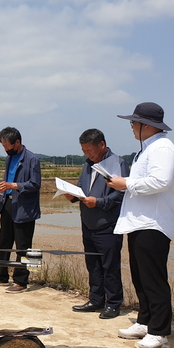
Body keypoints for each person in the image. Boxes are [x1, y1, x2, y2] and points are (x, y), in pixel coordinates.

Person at [109, 102, 174, 348]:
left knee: (153, 278)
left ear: (146, 125)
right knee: (140, 276)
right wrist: (125, 183)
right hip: (140, 221)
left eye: (133, 123)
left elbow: (160, 181)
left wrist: (125, 183)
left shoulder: (163, 148)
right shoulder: (147, 148)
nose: (131, 128)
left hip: (154, 222)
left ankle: (160, 332)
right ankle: (145, 321)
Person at [65, 129, 129, 318]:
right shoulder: (87, 165)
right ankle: (96, 299)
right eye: (84, 150)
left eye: (90, 150)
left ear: (102, 145)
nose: (87, 154)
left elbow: (122, 193)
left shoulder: (117, 163)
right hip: (88, 222)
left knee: (110, 266)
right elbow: (82, 188)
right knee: (92, 264)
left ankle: (114, 303)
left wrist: (99, 202)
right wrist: (73, 195)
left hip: (108, 224)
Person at [0, 127, 41, 293]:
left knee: (24, 246)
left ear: (17, 142)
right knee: (4, 241)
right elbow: (7, 181)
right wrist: (0, 190)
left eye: (7, 146)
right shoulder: (9, 159)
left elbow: (35, 184)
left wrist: (14, 186)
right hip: (7, 204)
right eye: (3, 146)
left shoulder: (32, 159)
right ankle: (0, 275)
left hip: (25, 208)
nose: (5, 149)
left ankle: (21, 281)